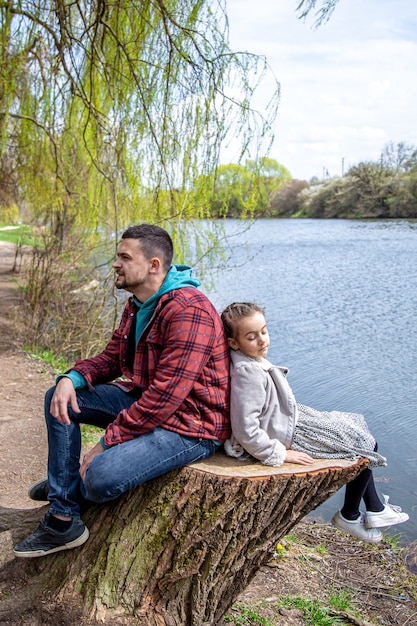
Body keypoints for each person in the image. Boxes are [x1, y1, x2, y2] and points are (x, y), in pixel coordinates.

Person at [13, 224, 230, 558]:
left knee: (101, 476)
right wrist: (71, 377)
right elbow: (112, 358)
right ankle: (63, 515)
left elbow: (165, 398)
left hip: (191, 426)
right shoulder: (139, 303)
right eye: (117, 256)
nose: (115, 264)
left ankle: (67, 486)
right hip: (149, 404)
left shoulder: (189, 310)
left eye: (124, 257)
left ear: (154, 265)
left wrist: (105, 442)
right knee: (60, 397)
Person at [220, 302, 409, 543]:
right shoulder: (248, 372)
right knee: (363, 443)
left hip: (287, 419)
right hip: (287, 435)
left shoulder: (249, 359)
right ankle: (352, 515)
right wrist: (278, 453)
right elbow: (245, 429)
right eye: (251, 336)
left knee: (356, 427)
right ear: (234, 343)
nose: (262, 340)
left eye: (264, 332)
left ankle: (373, 508)